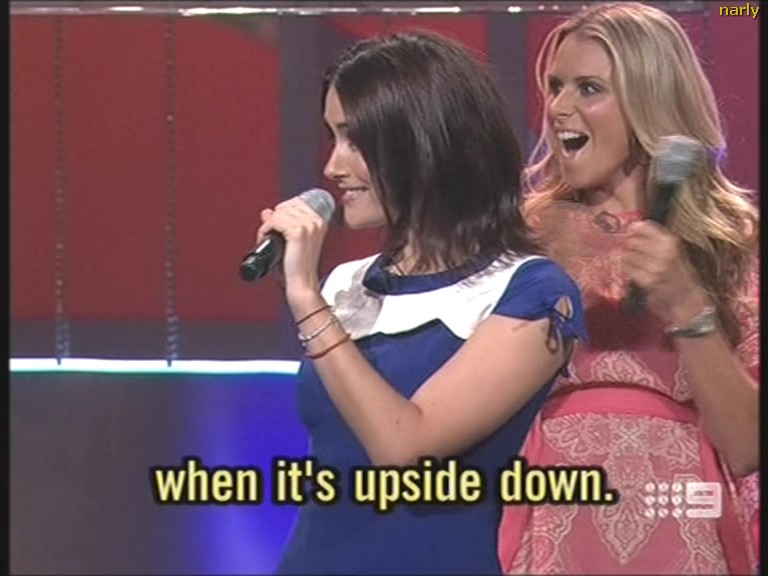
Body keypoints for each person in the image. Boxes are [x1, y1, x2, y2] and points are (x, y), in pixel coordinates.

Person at [256, 31, 586, 575]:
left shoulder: (532, 292)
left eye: (356, 140)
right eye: (333, 137)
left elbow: (405, 448)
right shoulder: (347, 286)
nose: (333, 167)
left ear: (426, 142)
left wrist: (304, 296)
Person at [498, 3, 760, 574]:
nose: (558, 108)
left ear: (650, 100)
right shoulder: (521, 236)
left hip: (683, 519)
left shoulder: (735, 242)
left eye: (589, 88)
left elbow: (747, 445)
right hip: (554, 516)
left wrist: (687, 303)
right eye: (555, 86)